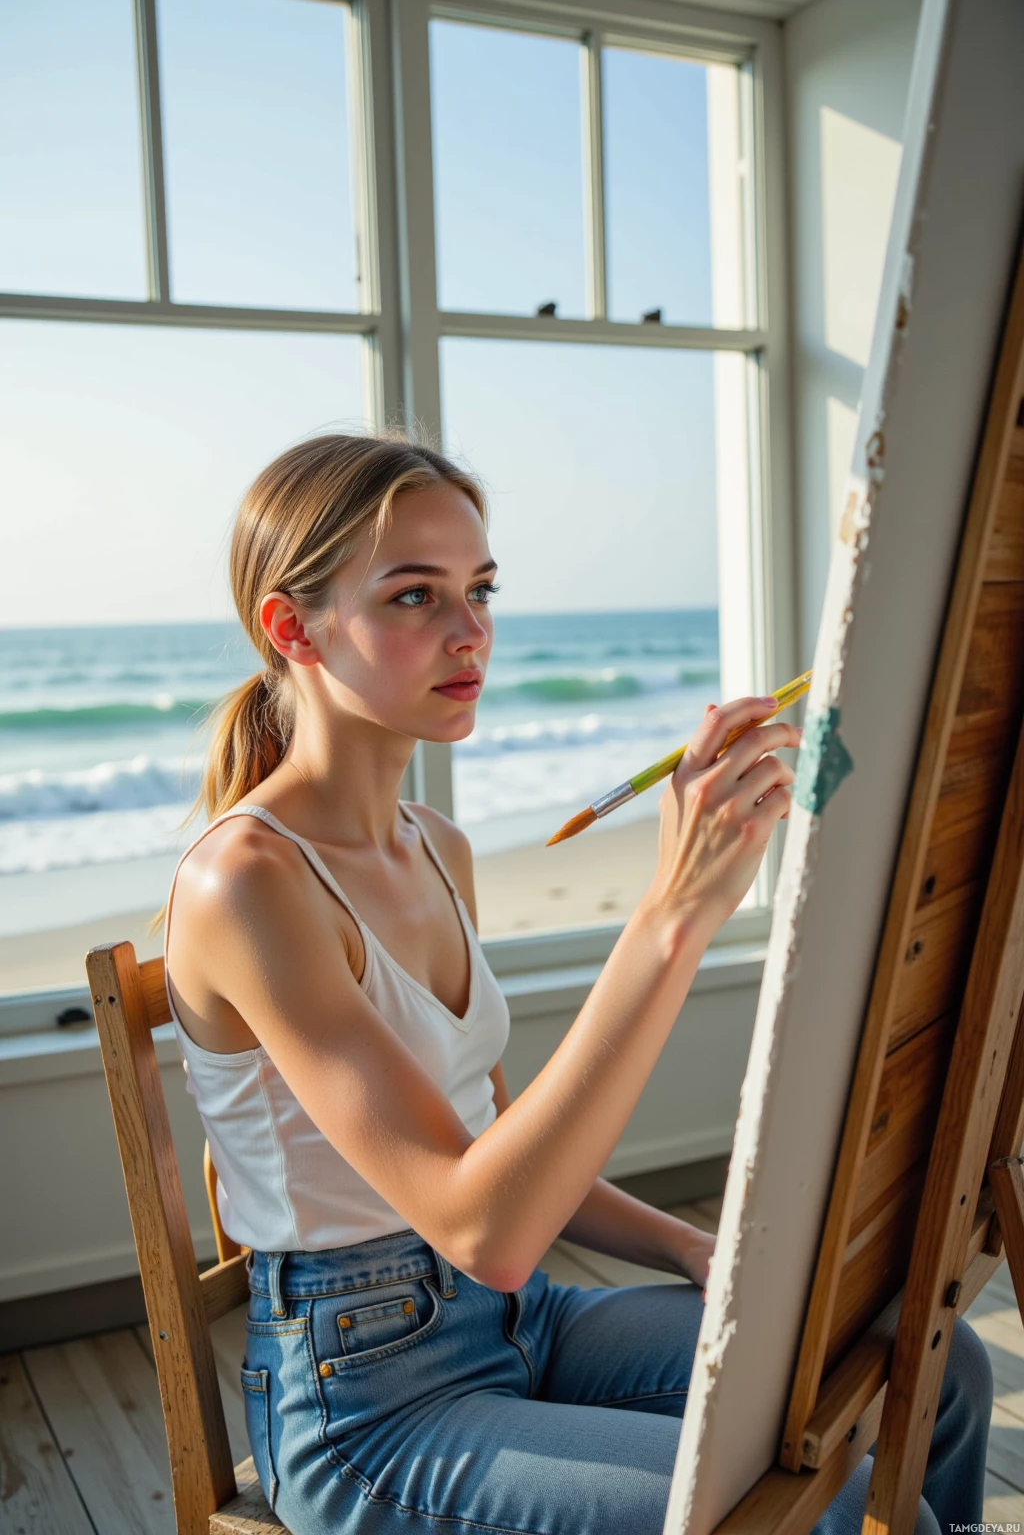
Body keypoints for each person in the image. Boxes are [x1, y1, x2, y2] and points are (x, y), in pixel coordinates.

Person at [162, 433, 992, 1535]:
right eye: (415, 597)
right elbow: (483, 1225)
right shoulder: (245, 884)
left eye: (480, 590)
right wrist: (672, 913)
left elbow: (499, 1148)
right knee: (833, 1510)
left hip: (521, 1320)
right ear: (290, 627)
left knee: (934, 1366)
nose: (471, 634)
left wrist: (692, 1247)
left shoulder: (435, 844)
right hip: (370, 1409)